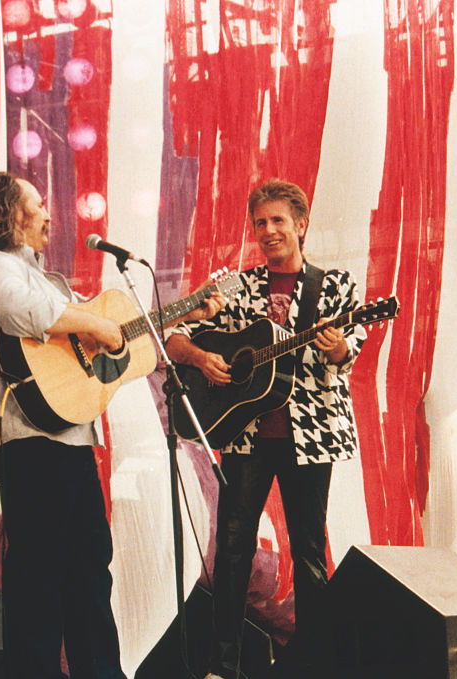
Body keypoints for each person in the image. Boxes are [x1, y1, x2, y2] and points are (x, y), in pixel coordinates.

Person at [0, 172, 223, 678]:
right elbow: (25, 312)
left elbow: (111, 341)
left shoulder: (48, 280)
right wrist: (97, 324)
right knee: (38, 573)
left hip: (69, 438)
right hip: (27, 440)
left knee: (88, 565)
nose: (49, 214)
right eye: (38, 205)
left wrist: (186, 313)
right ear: (12, 215)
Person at [166, 178, 367, 679]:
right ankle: (224, 666)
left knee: (309, 551)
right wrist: (202, 357)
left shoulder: (335, 284)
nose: (268, 230)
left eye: (278, 220)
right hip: (245, 434)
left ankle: (314, 664)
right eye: (260, 222)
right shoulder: (239, 285)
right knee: (232, 547)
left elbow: (350, 353)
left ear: (301, 225)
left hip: (312, 435)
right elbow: (173, 338)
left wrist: (336, 346)